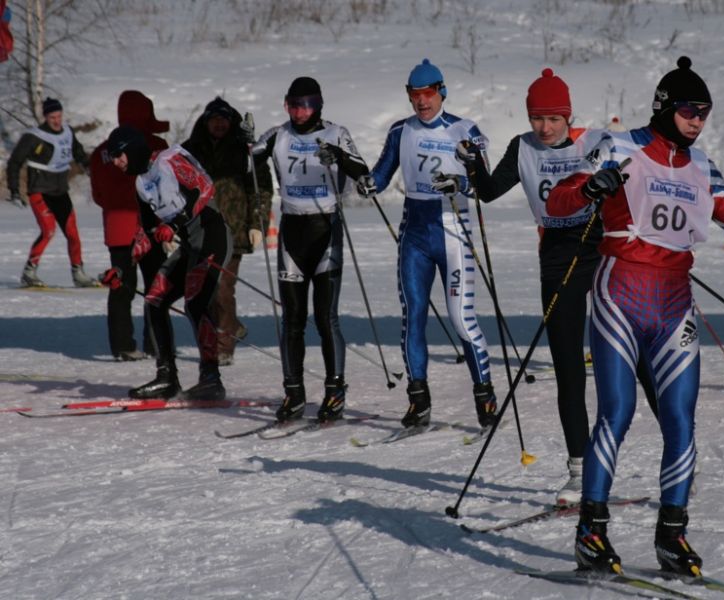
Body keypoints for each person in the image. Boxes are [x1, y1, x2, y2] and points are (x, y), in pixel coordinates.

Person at [548, 57, 724, 576]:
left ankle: (672, 536)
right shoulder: (620, 146)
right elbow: (559, 200)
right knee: (617, 412)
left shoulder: (703, 166)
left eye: (704, 112)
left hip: (674, 302)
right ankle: (591, 532)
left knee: (680, 419)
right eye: (688, 110)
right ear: (664, 108)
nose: (697, 120)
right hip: (620, 292)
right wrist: (590, 188)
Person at [445, 68, 654, 505]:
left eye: (554, 118)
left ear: (568, 115)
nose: (545, 127)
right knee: (567, 367)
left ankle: (677, 451)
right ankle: (578, 471)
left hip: (602, 245)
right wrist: (472, 163)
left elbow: (635, 178)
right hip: (557, 255)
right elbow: (489, 191)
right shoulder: (522, 147)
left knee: (635, 354)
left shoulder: (594, 142)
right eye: (537, 118)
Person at [359, 58, 497, 430]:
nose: (422, 101)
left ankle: (484, 395)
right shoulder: (400, 131)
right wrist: (367, 183)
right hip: (415, 234)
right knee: (413, 315)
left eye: (428, 93)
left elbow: (484, 185)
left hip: (453, 232)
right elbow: (381, 175)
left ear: (441, 92)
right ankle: (418, 400)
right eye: (415, 94)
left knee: (461, 318)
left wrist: (461, 183)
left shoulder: (463, 130)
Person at [252, 77, 368, 422]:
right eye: (293, 106)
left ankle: (335, 391)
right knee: (292, 319)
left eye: (306, 106)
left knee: (325, 317)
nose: (300, 113)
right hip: (292, 232)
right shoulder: (277, 135)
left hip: (325, 229)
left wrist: (338, 157)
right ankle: (294, 393)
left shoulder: (336, 133)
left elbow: (362, 172)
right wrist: (243, 141)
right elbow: (249, 160)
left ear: (318, 105)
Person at [105, 125, 232, 401]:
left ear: (132, 149)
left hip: (211, 236)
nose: (116, 163)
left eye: (118, 156)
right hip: (189, 246)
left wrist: (174, 224)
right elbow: (146, 233)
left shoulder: (170, 159)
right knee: (154, 301)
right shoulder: (141, 183)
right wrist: (121, 270)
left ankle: (211, 378)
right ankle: (166, 378)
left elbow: (204, 189)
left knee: (195, 303)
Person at [182, 96, 273, 366]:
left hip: (233, 230)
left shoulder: (246, 150)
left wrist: (257, 223)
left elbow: (260, 189)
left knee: (222, 288)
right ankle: (231, 326)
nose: (219, 124)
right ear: (206, 122)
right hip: (198, 230)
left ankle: (223, 348)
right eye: (214, 120)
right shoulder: (189, 151)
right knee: (203, 290)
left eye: (224, 120)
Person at [90, 90, 170, 361]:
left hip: (117, 229)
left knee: (120, 287)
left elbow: (98, 195)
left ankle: (122, 344)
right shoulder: (156, 144)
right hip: (152, 227)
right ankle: (156, 342)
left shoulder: (100, 152)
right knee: (156, 287)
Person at [6, 97, 98, 288]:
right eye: (52, 117)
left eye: (59, 116)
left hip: (60, 191)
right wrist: (14, 190)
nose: (56, 121)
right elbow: (14, 162)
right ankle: (29, 273)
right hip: (39, 191)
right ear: (45, 117)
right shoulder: (33, 137)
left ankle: (78, 273)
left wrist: (89, 167)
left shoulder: (68, 133)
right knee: (48, 231)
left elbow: (78, 152)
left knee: (73, 234)